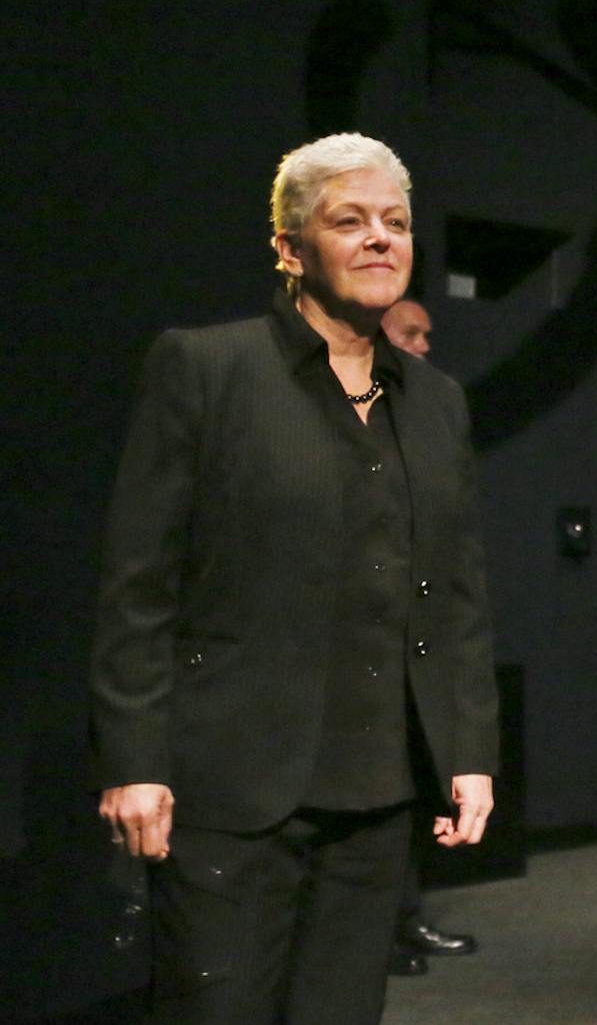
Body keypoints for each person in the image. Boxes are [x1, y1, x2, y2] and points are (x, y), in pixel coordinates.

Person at [92, 133, 498, 1024]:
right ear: (289, 248)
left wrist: (466, 751)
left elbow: (457, 590)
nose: (380, 238)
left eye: (395, 222)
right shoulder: (206, 369)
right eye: (349, 221)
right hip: (230, 789)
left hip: (380, 791)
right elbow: (139, 585)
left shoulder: (436, 403)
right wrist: (136, 762)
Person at [376, 296, 479, 978]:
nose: (422, 344)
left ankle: (402, 921)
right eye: (410, 332)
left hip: (414, 648)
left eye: (428, 335)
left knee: (407, 792)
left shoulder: (436, 409)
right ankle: (380, 935)